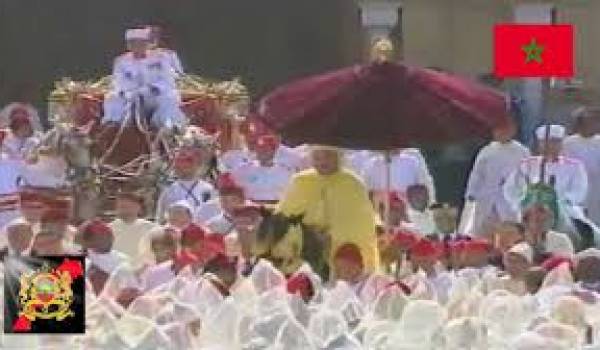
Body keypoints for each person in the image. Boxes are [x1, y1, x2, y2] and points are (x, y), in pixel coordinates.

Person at [277, 145, 380, 272]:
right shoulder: (300, 181)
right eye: (317, 157)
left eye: (327, 156)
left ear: (338, 157)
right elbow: (283, 220)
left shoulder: (353, 184)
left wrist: (330, 237)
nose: (322, 162)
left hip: (342, 258)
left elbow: (361, 228)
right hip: (303, 255)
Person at [504, 124, 589, 227]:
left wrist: (559, 202)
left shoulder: (575, 166)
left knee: (582, 226)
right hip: (530, 209)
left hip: (565, 209)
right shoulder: (527, 164)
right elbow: (510, 188)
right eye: (546, 142)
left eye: (555, 142)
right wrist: (519, 203)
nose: (551, 146)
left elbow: (579, 191)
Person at [102, 27, 185, 130]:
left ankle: (170, 126)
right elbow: (119, 82)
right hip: (131, 98)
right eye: (133, 43)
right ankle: (112, 123)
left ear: (146, 44)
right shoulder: (121, 61)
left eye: (141, 43)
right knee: (112, 97)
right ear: (128, 45)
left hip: (154, 96)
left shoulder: (161, 58)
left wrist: (150, 89)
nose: (137, 46)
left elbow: (167, 80)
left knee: (169, 98)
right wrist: (131, 92)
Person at [463, 122, 530, 235]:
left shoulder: (522, 151)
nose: (501, 133)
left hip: (511, 198)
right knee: (483, 228)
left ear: (513, 130)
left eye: (505, 130)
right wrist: (472, 192)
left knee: (510, 226)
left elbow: (528, 174)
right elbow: (477, 173)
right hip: (487, 196)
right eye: (498, 130)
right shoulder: (487, 151)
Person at [156, 147, 217, 222]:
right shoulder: (169, 191)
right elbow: (160, 219)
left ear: (198, 166)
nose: (183, 168)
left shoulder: (208, 189)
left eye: (188, 165)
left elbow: (214, 215)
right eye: (180, 164)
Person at [563, 106, 600, 225]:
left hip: (596, 187)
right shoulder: (568, 143)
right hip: (574, 186)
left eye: (594, 123)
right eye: (587, 123)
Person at [232, 135, 294, 203]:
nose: (261, 151)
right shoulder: (244, 170)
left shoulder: (285, 172)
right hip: (252, 208)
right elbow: (233, 189)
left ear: (274, 151)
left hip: (276, 206)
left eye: (265, 148)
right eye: (259, 148)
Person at [362, 148, 436, 203]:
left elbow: (427, 193)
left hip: (410, 217)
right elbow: (365, 196)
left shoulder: (413, 160)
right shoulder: (370, 164)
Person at [109, 192, 157, 261]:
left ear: (138, 207)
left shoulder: (151, 229)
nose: (123, 210)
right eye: (120, 207)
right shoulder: (109, 229)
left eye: (126, 206)